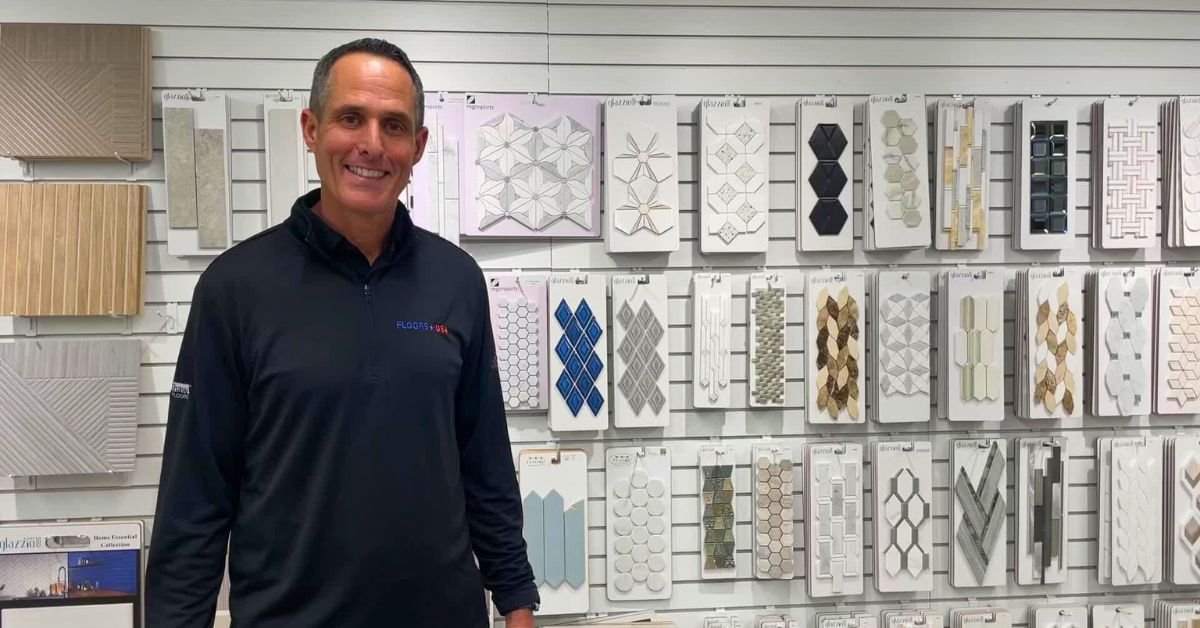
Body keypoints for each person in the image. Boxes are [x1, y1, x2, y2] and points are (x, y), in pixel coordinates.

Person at [146, 38, 538, 628]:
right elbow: (194, 500)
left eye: (394, 125)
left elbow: (484, 461)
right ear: (311, 128)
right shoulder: (234, 288)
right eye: (351, 118)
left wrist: (516, 599)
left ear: (419, 146)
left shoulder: (456, 280)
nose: (372, 145)